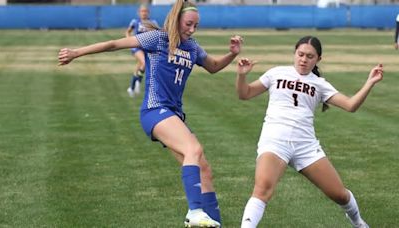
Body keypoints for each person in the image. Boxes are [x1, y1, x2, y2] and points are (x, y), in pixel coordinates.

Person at [58, 0, 243, 227]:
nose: (192, 30)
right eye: (188, 24)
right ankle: (194, 212)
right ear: (176, 20)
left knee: (204, 169)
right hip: (155, 110)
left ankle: (214, 223)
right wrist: (77, 52)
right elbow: (115, 44)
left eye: (196, 26)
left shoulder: (192, 47)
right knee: (193, 149)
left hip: (174, 114)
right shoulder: (158, 39)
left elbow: (213, 66)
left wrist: (232, 54)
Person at [235, 36, 383, 228]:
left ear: (318, 60)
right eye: (301, 54)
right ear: (294, 53)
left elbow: (350, 105)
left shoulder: (319, 83)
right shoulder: (276, 73)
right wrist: (241, 75)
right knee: (262, 189)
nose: (304, 59)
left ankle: (359, 223)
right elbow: (244, 93)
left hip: (306, 145)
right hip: (274, 140)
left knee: (339, 194)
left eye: (310, 56)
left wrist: (370, 82)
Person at [125, 4, 159, 97]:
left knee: (140, 66)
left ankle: (131, 87)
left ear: (148, 12)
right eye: (142, 11)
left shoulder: (152, 22)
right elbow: (128, 32)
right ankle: (138, 83)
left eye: (145, 11)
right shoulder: (135, 22)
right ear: (139, 12)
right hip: (137, 46)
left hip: (147, 47)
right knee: (143, 63)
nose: (144, 13)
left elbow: (157, 34)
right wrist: (129, 41)